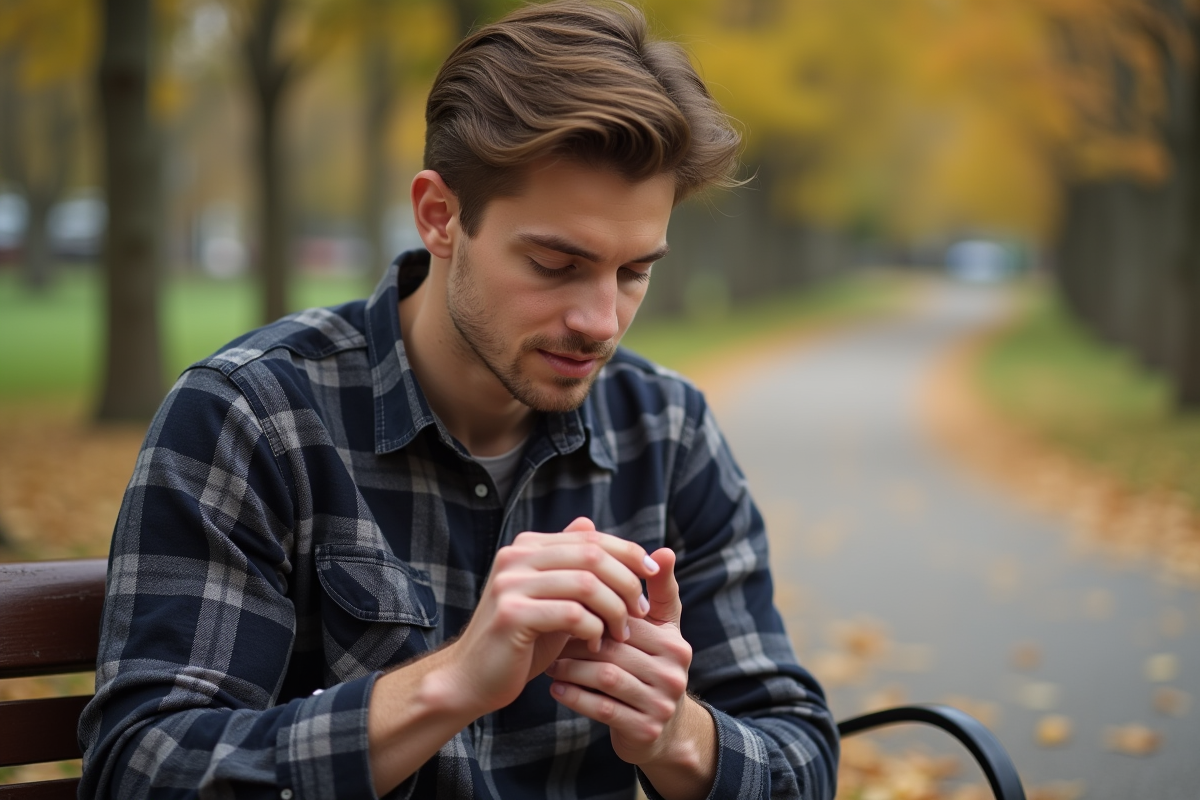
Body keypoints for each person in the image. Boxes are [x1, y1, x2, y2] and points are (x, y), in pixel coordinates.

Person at [79, 1, 839, 798]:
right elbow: (143, 770)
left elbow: (801, 757)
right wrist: (448, 687)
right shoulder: (252, 417)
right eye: (555, 263)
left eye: (634, 271)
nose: (600, 321)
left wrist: (677, 732)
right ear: (440, 217)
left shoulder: (668, 431)